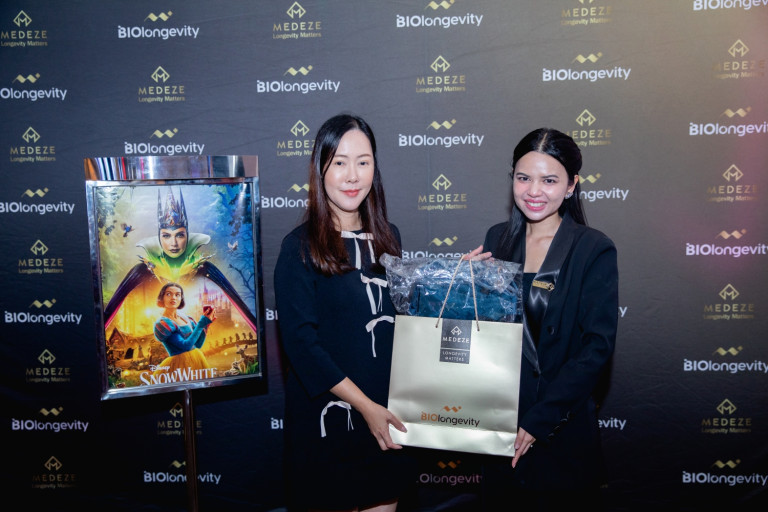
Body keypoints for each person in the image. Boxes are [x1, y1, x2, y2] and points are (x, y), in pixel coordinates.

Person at [274, 113, 417, 512]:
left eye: (363, 162)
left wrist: (456, 279)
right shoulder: (299, 247)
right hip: (329, 422)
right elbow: (302, 345)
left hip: (386, 419)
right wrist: (365, 408)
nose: (352, 175)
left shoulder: (389, 238)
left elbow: (405, 319)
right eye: (339, 162)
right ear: (320, 169)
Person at [470, 127, 618, 510]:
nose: (534, 191)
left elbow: (596, 349)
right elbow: (484, 334)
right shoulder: (498, 240)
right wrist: (464, 287)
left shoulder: (593, 249)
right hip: (499, 429)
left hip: (559, 432)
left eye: (549, 180)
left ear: (571, 185)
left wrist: (541, 420)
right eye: (524, 178)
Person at [152, 282, 217, 377]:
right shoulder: (163, 324)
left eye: (177, 295)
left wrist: (205, 325)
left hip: (196, 361)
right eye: (169, 294)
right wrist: (201, 324)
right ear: (162, 297)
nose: (173, 298)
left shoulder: (187, 319)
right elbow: (185, 346)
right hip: (178, 367)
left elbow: (198, 344)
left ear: (181, 298)